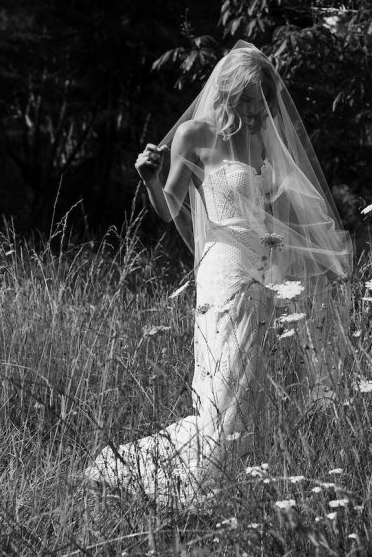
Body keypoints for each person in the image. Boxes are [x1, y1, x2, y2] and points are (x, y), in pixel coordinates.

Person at [85, 41, 352, 504]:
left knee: (249, 383)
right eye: (246, 97)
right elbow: (170, 211)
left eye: (261, 99)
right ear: (226, 91)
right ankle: (195, 480)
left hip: (261, 265)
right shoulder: (194, 134)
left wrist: (322, 256)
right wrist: (149, 177)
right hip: (222, 268)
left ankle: (239, 480)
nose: (254, 108)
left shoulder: (261, 139)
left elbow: (275, 210)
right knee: (221, 380)